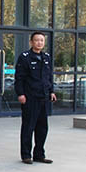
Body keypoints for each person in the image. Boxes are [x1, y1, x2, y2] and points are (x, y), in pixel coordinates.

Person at [15, 31, 57, 164]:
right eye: (37, 40)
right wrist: (20, 94)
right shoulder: (25, 57)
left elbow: (49, 77)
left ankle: (39, 154)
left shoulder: (46, 57)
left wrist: (51, 91)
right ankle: (26, 155)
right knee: (28, 127)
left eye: (42, 40)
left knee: (42, 128)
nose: (39, 43)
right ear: (31, 42)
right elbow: (19, 78)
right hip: (30, 98)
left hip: (43, 97)